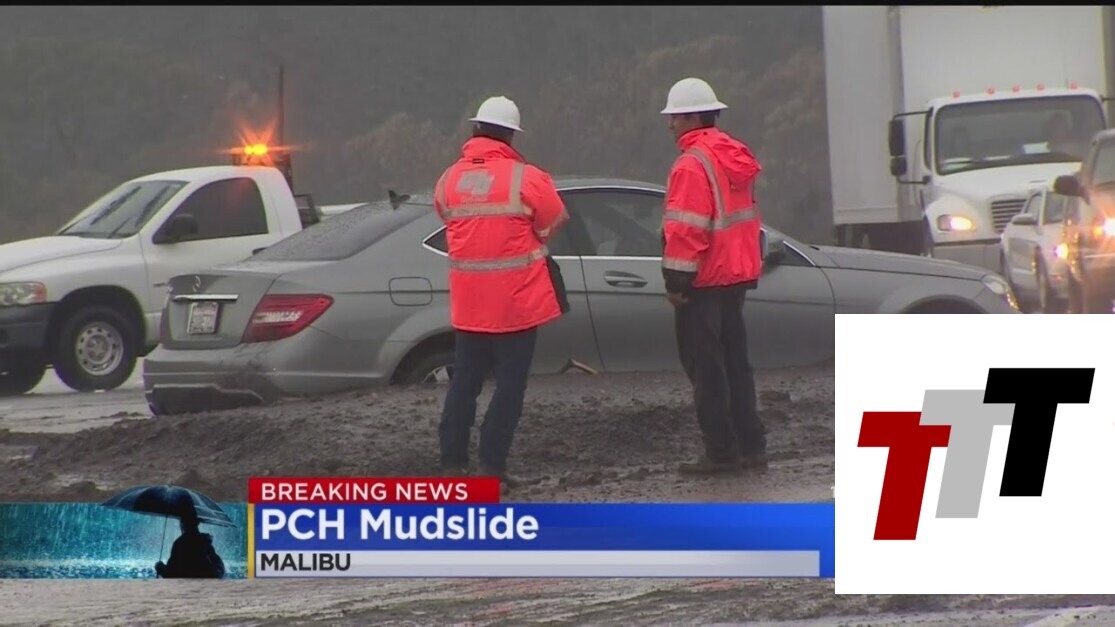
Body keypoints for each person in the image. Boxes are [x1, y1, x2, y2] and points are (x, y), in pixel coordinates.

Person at [434, 95, 570, 492]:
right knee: (510, 386)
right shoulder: (527, 178)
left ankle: (452, 465)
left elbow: (446, 216)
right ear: (511, 135)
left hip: (469, 304)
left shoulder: (448, 179)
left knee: (465, 382)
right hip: (516, 304)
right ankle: (491, 467)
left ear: (476, 129)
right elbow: (554, 220)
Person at [659, 77, 768, 475]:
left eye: (675, 117)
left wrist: (676, 283)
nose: (670, 124)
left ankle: (721, 451)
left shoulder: (692, 164)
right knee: (737, 364)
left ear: (692, 118)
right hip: (735, 276)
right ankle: (751, 445)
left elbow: (686, 229)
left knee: (707, 370)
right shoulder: (734, 155)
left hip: (703, 282)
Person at [154, 511, 225, 578]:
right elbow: (219, 570)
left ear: (183, 524)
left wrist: (160, 568)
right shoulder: (205, 542)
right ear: (197, 523)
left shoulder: (180, 544)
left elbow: (171, 574)